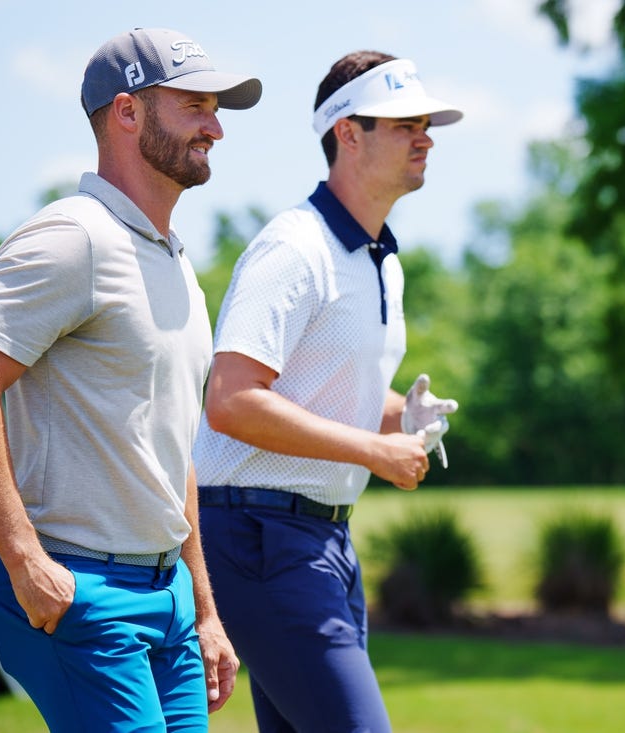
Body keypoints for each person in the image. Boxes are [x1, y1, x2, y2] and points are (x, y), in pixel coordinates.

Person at [0, 28, 261, 733]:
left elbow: (173, 456)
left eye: (216, 107)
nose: (216, 126)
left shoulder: (177, 267)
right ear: (128, 112)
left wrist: (203, 608)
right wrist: (21, 558)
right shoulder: (72, 237)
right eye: (195, 104)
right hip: (83, 591)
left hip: (168, 594)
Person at [192, 50, 462, 732]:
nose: (425, 137)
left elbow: (320, 392)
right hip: (256, 535)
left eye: (426, 123)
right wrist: (374, 450)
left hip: (323, 542)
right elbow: (231, 399)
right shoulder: (294, 248)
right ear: (347, 133)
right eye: (404, 124)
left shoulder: (381, 259)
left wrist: (403, 412)